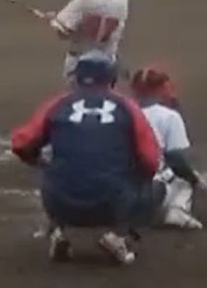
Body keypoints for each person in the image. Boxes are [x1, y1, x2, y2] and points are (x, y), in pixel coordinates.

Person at [10, 50, 162, 266]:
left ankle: (60, 233)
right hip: (111, 202)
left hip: (59, 201)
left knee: (54, 170)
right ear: (111, 77)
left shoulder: (57, 104)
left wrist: (38, 161)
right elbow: (150, 160)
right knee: (157, 187)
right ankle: (118, 237)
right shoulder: (128, 107)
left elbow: (21, 144)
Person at [130, 66, 207, 230]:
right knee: (184, 174)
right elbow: (177, 161)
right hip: (151, 194)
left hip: (119, 192)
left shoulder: (122, 111)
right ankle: (178, 210)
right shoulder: (169, 116)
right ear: (159, 89)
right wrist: (196, 180)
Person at [48, 0, 130, 79]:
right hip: (107, 65)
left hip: (78, 65)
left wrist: (54, 20)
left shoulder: (84, 0)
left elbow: (63, 33)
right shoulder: (123, 0)